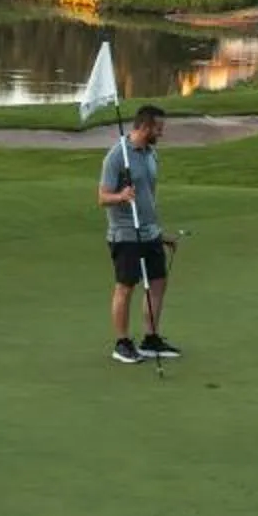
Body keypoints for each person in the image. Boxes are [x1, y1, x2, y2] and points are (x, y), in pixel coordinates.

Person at [100, 105, 180, 365]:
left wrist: (159, 233)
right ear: (145, 127)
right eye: (159, 128)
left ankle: (150, 339)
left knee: (158, 282)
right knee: (125, 287)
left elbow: (148, 198)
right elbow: (102, 197)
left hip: (149, 233)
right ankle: (122, 343)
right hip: (125, 233)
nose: (162, 133)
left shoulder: (151, 154)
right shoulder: (116, 156)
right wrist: (121, 196)